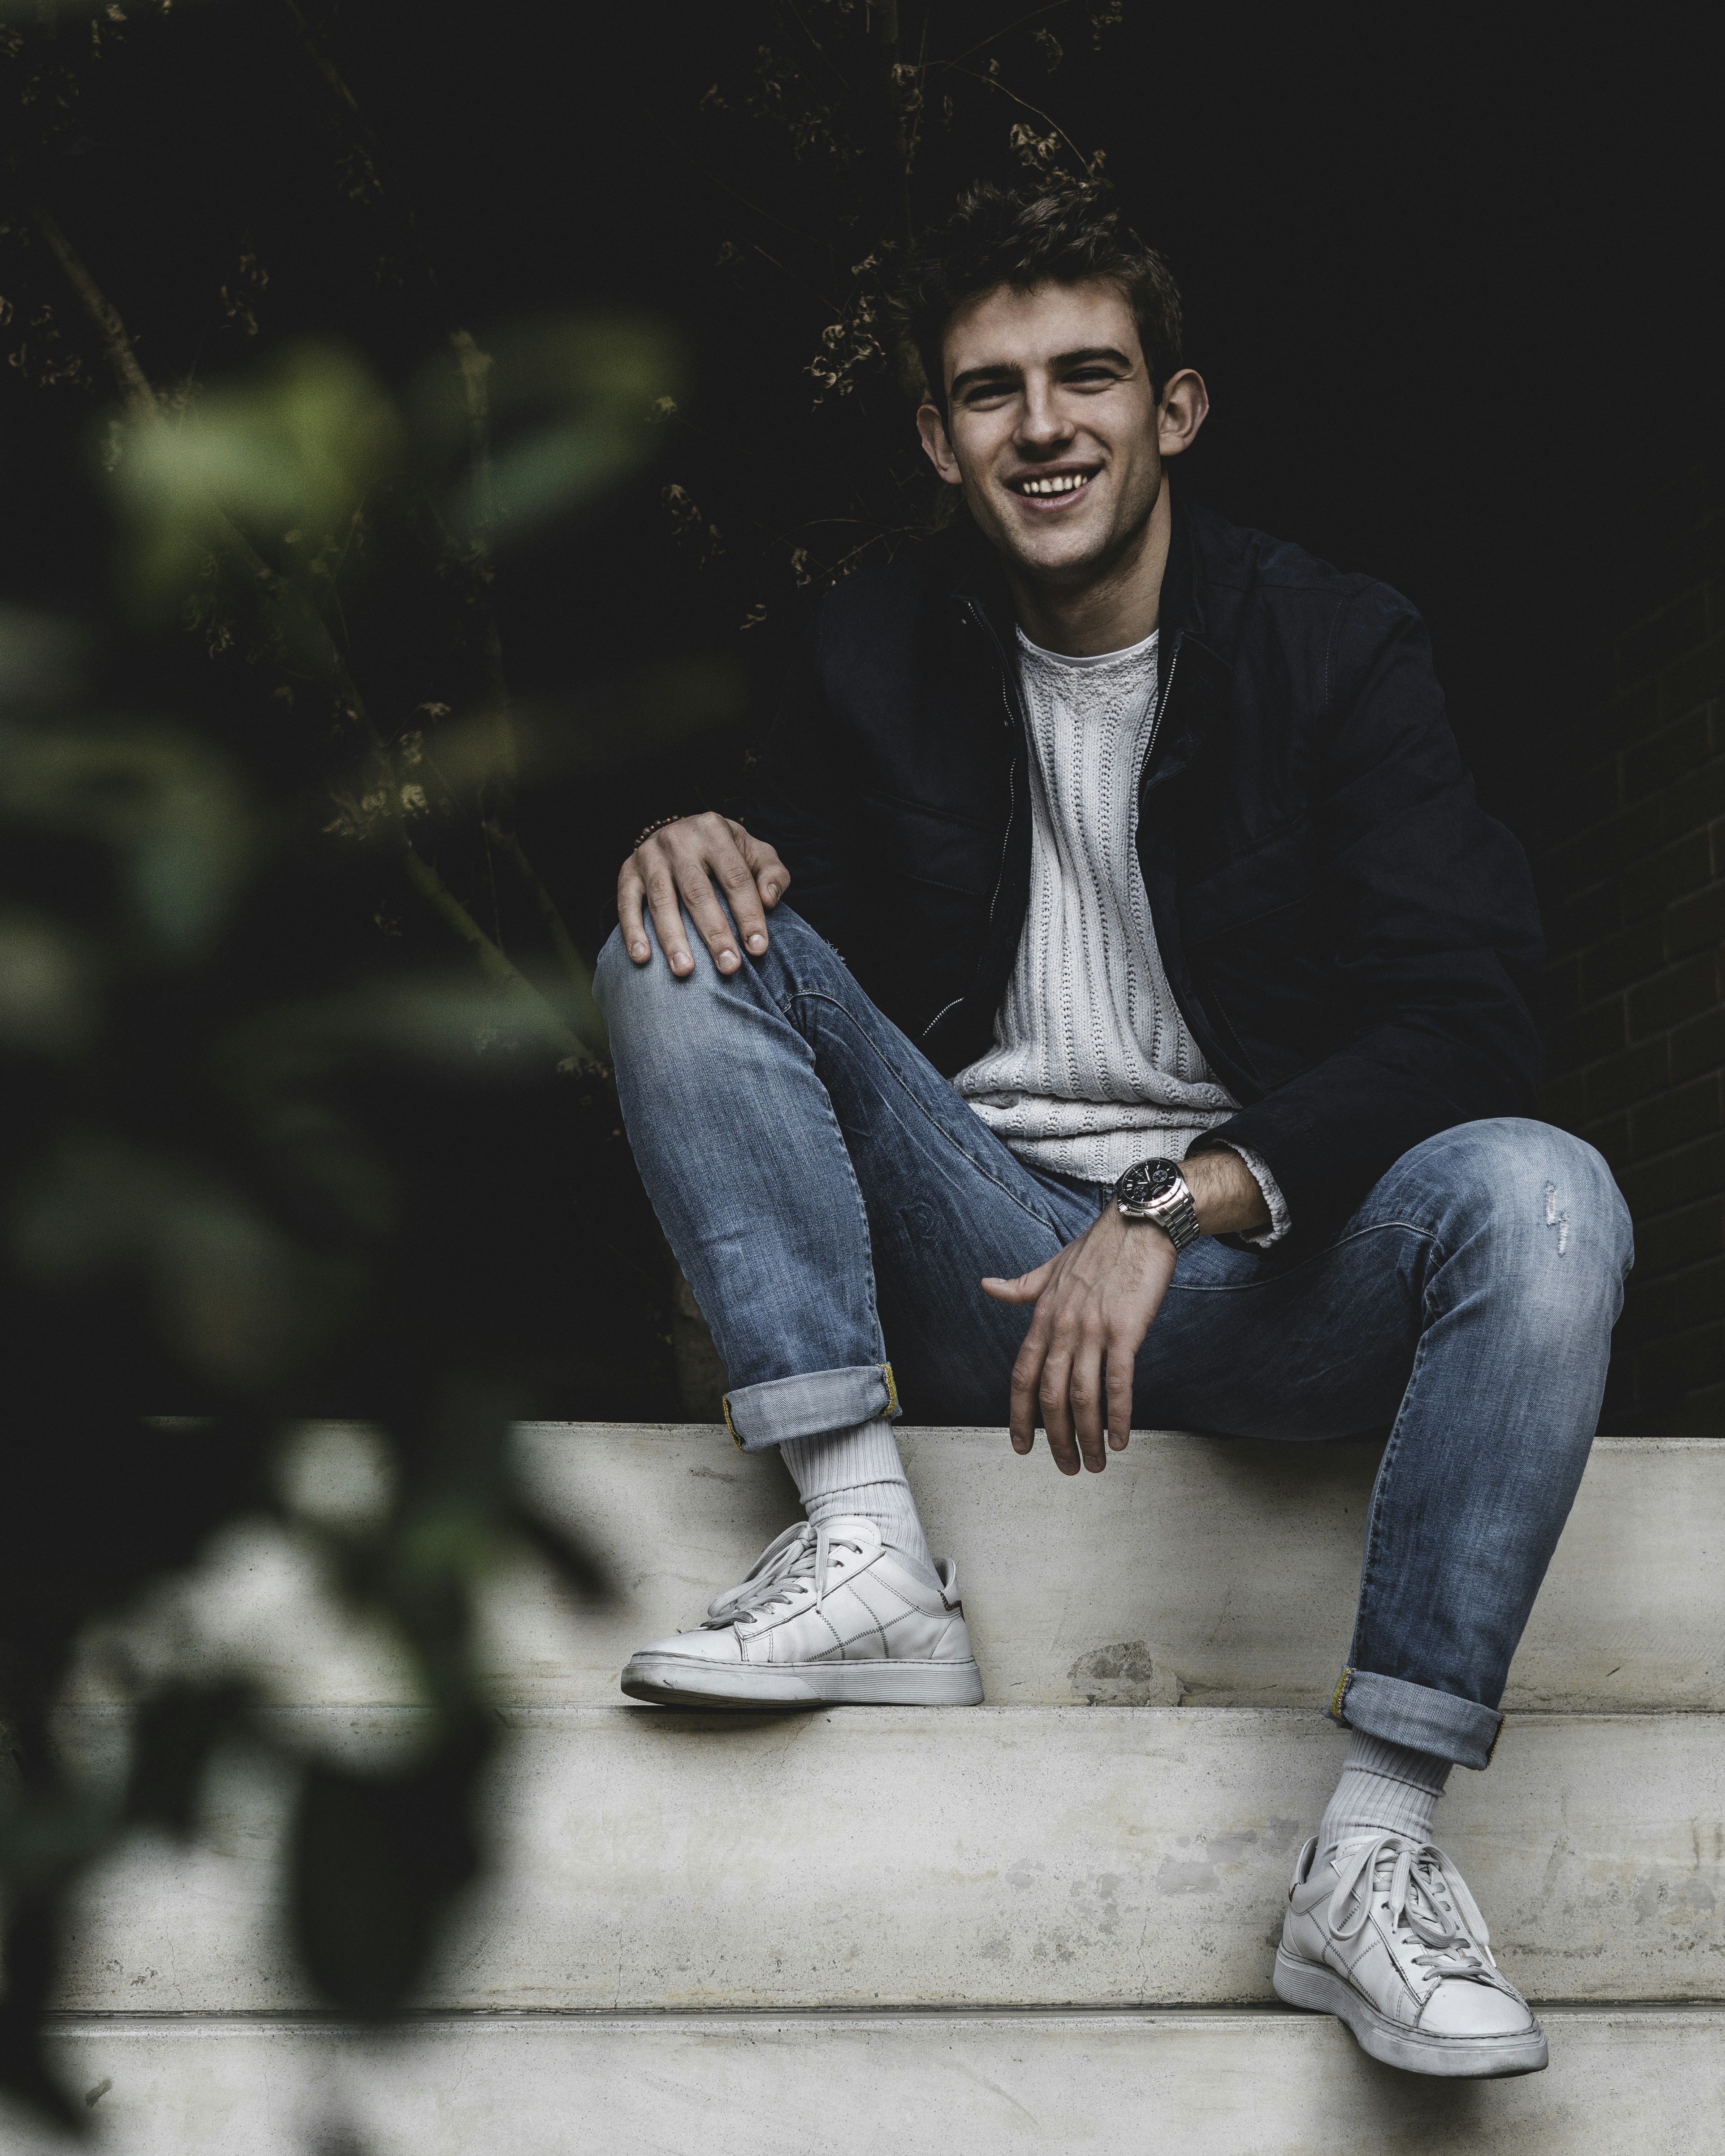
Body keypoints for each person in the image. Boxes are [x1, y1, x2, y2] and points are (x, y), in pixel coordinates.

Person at [592, 180, 1632, 2081]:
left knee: (1550, 1197)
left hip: (1267, 1276)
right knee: (678, 925)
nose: (1044, 424)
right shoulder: (870, 654)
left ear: (1179, 408)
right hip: (976, 1258)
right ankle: (866, 1551)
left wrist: (1176, 1202)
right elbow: (781, 967)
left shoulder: (1339, 646)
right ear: (937, 439)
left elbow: (1473, 1017)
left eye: (1090, 375)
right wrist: (706, 840)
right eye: (991, 392)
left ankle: (1374, 1859)